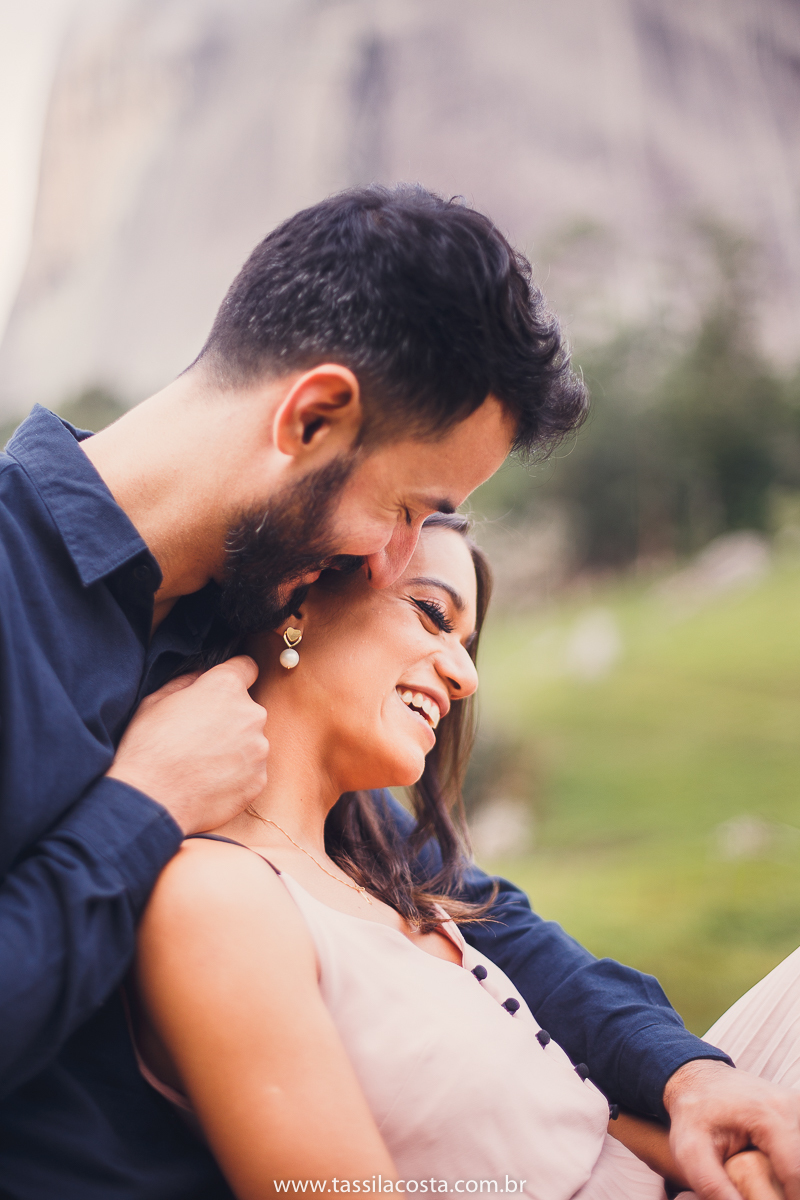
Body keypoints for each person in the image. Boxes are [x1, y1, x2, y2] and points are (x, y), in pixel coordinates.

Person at [0, 184, 795, 1200]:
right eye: (409, 510)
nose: (393, 562)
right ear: (313, 416)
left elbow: (457, 901)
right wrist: (139, 813)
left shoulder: (242, 624)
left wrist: (679, 1072)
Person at [127, 514, 798, 1200]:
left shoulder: (375, 872)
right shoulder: (218, 901)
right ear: (296, 598)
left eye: (469, 642)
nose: (466, 675)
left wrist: (731, 1165)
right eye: (431, 614)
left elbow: (576, 1120)